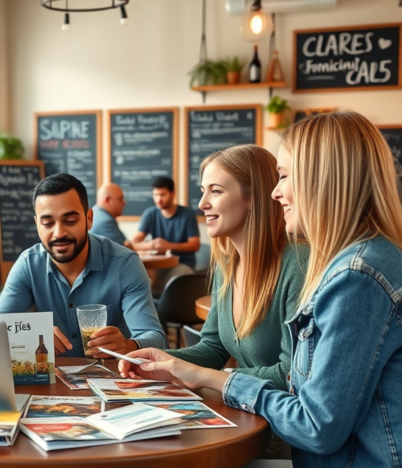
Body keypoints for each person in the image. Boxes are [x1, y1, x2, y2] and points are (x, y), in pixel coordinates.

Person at [121, 112, 402, 467]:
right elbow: (219, 347)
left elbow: (315, 423)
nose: (276, 191)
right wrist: (169, 364)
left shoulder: (353, 276)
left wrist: (216, 379)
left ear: (323, 179)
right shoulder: (361, 262)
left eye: (283, 176)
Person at [168, 144, 307, 391]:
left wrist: (209, 377)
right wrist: (155, 359)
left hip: (284, 425)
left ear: (254, 196)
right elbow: (212, 348)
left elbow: (291, 375)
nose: (202, 203)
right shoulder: (227, 264)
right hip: (250, 414)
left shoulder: (298, 263)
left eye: (216, 191)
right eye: (203, 191)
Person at [0, 173, 166, 358]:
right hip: (53, 382)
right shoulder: (28, 264)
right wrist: (31, 332)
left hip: (113, 377)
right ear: (37, 224)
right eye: (47, 223)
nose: (58, 233)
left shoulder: (125, 264)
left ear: (89, 219)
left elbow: (157, 339)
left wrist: (129, 344)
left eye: (70, 221)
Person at [132, 176, 200, 293]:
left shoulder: (187, 214)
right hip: (158, 265)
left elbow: (195, 244)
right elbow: (134, 243)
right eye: (155, 195)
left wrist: (168, 245)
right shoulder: (150, 214)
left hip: (183, 263)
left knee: (171, 285)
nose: (158, 199)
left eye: (162, 194)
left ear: (173, 194)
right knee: (139, 278)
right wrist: (152, 245)